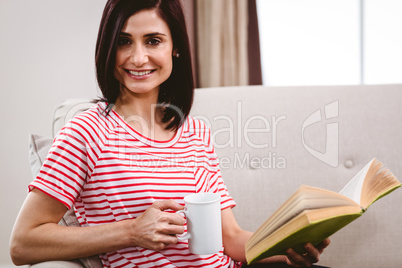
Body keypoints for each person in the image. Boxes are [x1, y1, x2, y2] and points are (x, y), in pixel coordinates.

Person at [10, 0, 330, 267]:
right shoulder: (85, 131)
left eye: (153, 40)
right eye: (124, 41)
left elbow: (230, 238)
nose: (138, 58)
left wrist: (286, 247)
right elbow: (23, 242)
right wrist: (132, 231)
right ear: (108, 48)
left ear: (175, 48)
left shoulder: (195, 131)